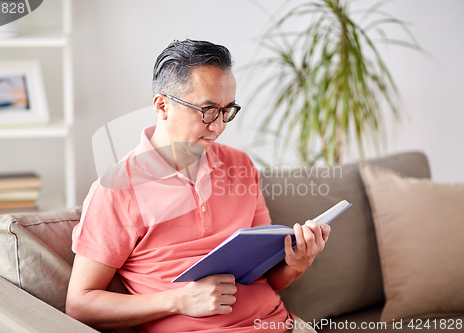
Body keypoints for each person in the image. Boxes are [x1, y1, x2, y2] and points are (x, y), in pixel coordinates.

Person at [66, 39, 330, 333]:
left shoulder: (239, 164)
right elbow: (79, 305)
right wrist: (179, 300)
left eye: (227, 110)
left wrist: (298, 263)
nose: (218, 126)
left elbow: (266, 277)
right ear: (162, 105)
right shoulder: (116, 189)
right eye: (207, 110)